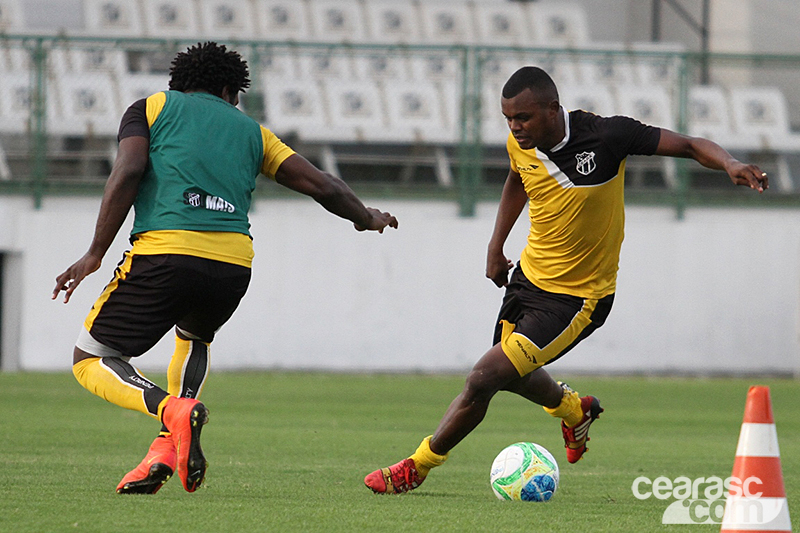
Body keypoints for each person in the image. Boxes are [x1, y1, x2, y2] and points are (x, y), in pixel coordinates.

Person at [364, 66, 767, 494]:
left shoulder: (608, 137)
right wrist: (495, 246)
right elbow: (518, 178)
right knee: (512, 374)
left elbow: (687, 145)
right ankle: (575, 411)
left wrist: (730, 162)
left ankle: (418, 466)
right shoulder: (522, 145)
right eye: (508, 120)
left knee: (484, 377)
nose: (515, 128)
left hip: (578, 299)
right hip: (528, 280)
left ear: (553, 109)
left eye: (523, 117)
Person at [52, 42, 398, 495]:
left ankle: (171, 411)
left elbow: (130, 167)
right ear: (227, 88)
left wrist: (95, 252)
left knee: (91, 358)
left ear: (179, 83)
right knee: (193, 335)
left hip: (165, 252)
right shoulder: (255, 133)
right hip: (232, 264)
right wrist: (366, 218)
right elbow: (322, 184)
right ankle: (164, 448)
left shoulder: (150, 108)